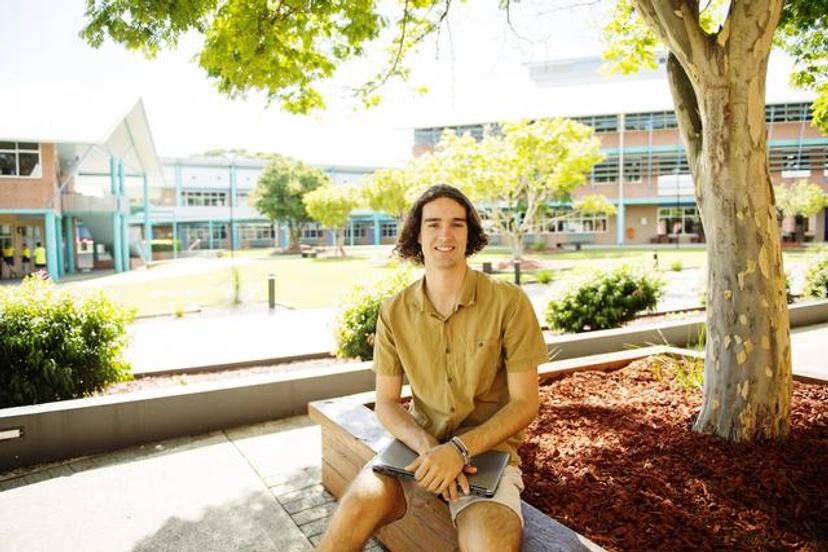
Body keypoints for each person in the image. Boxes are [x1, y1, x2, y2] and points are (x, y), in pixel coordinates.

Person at [317, 184, 548, 552]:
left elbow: (525, 403)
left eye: (457, 224)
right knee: (355, 505)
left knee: (490, 541)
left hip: (487, 455)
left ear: (469, 234)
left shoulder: (510, 302)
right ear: (417, 235)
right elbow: (388, 403)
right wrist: (430, 450)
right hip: (416, 449)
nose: (445, 234)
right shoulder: (393, 311)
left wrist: (457, 450)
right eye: (434, 224)